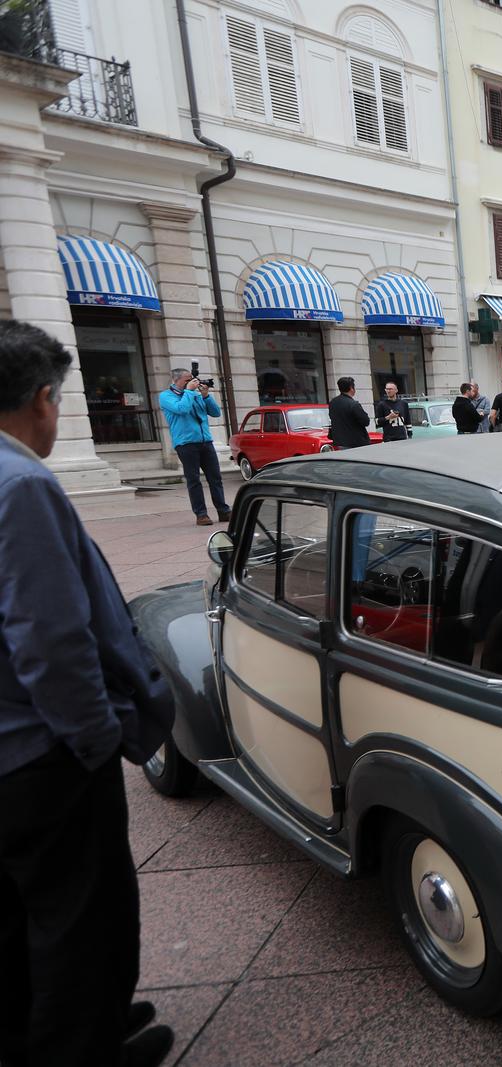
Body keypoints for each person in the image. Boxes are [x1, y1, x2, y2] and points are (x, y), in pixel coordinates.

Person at [0, 320, 175, 1067]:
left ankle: (41, 1032)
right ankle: (84, 1046)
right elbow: (51, 638)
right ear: (42, 399)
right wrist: (98, 737)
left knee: (21, 912)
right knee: (81, 913)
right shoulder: (23, 484)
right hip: (43, 749)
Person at [158, 365, 231, 527]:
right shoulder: (166, 396)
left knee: (215, 478)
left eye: (192, 379)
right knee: (194, 480)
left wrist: (206, 396)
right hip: (186, 444)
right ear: (176, 380)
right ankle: (201, 514)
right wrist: (190, 392)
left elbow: (215, 413)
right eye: (187, 380)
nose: (191, 382)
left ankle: (223, 511)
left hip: (205, 442)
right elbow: (182, 409)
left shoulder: (194, 395)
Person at [328, 375, 371, 450]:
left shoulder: (333, 402)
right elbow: (366, 421)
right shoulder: (353, 404)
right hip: (356, 443)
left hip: (340, 442)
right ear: (351, 388)